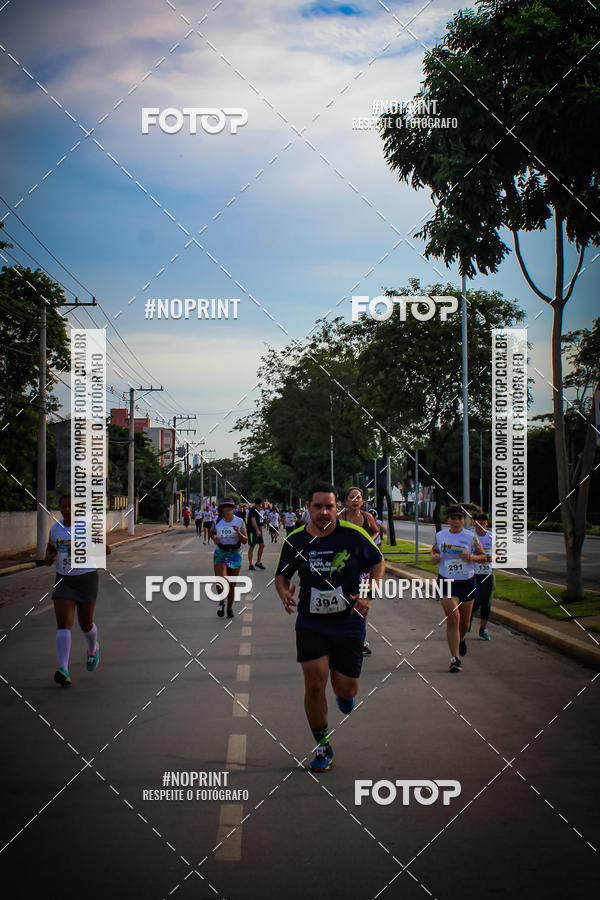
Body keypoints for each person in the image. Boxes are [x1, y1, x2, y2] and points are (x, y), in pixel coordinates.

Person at [275, 482, 385, 772]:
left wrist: (368, 592)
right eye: (318, 506)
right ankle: (322, 745)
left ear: (337, 508)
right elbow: (281, 575)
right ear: (308, 508)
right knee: (314, 682)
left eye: (329, 507)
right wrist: (284, 592)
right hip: (311, 622)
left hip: (348, 622)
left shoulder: (354, 535)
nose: (324, 512)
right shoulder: (296, 540)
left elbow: (378, 562)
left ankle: (344, 696)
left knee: (346, 688)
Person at [44, 494, 111, 686]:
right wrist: (49, 559)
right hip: (64, 579)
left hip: (86, 578)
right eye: (63, 506)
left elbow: (106, 550)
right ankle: (63, 669)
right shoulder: (55, 529)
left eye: (70, 507)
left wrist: (82, 550)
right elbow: (49, 554)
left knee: (85, 623)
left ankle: (92, 649)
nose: (66, 510)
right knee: (64, 623)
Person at [430, 505, 486, 672]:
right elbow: (434, 552)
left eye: (459, 518)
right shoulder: (440, 536)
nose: (456, 521)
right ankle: (455, 658)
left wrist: (472, 557)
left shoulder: (471, 537)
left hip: (467, 582)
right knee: (453, 617)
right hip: (446, 581)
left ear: (464, 520)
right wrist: (434, 557)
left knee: (464, 621)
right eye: (453, 518)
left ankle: (460, 640)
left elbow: (483, 557)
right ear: (448, 520)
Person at [338, 488, 379, 656]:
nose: (355, 500)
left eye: (358, 497)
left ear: (362, 501)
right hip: (343, 566)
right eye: (352, 497)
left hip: (363, 566)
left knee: (362, 603)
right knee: (343, 601)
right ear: (346, 500)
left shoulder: (367, 517)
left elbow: (376, 531)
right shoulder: (340, 517)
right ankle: (342, 636)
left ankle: (361, 640)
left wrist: (369, 540)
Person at [210, 498, 248, 619]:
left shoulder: (240, 521)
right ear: (222, 508)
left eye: (230, 506)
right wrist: (214, 538)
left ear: (233, 508)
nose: (227, 508)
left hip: (235, 553)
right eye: (225, 506)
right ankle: (221, 602)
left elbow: (245, 540)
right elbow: (212, 532)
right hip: (221, 553)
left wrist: (239, 533)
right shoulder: (217, 520)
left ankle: (229, 608)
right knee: (222, 581)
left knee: (232, 584)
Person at [471, 512, 495, 640]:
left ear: (487, 523)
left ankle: (483, 629)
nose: (481, 522)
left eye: (483, 520)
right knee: (475, 602)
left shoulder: (492, 536)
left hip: (487, 574)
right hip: (472, 575)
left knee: (486, 602)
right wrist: (478, 557)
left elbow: (500, 554)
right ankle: (469, 618)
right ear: (474, 522)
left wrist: (492, 557)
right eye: (478, 520)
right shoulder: (470, 536)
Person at [247, 497, 266, 571]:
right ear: (260, 504)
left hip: (257, 531)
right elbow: (253, 519)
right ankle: (250, 564)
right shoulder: (254, 509)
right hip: (252, 531)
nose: (262, 505)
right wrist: (257, 530)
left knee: (262, 545)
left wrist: (261, 530)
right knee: (252, 547)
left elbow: (259, 522)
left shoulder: (258, 510)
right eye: (262, 503)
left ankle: (258, 562)